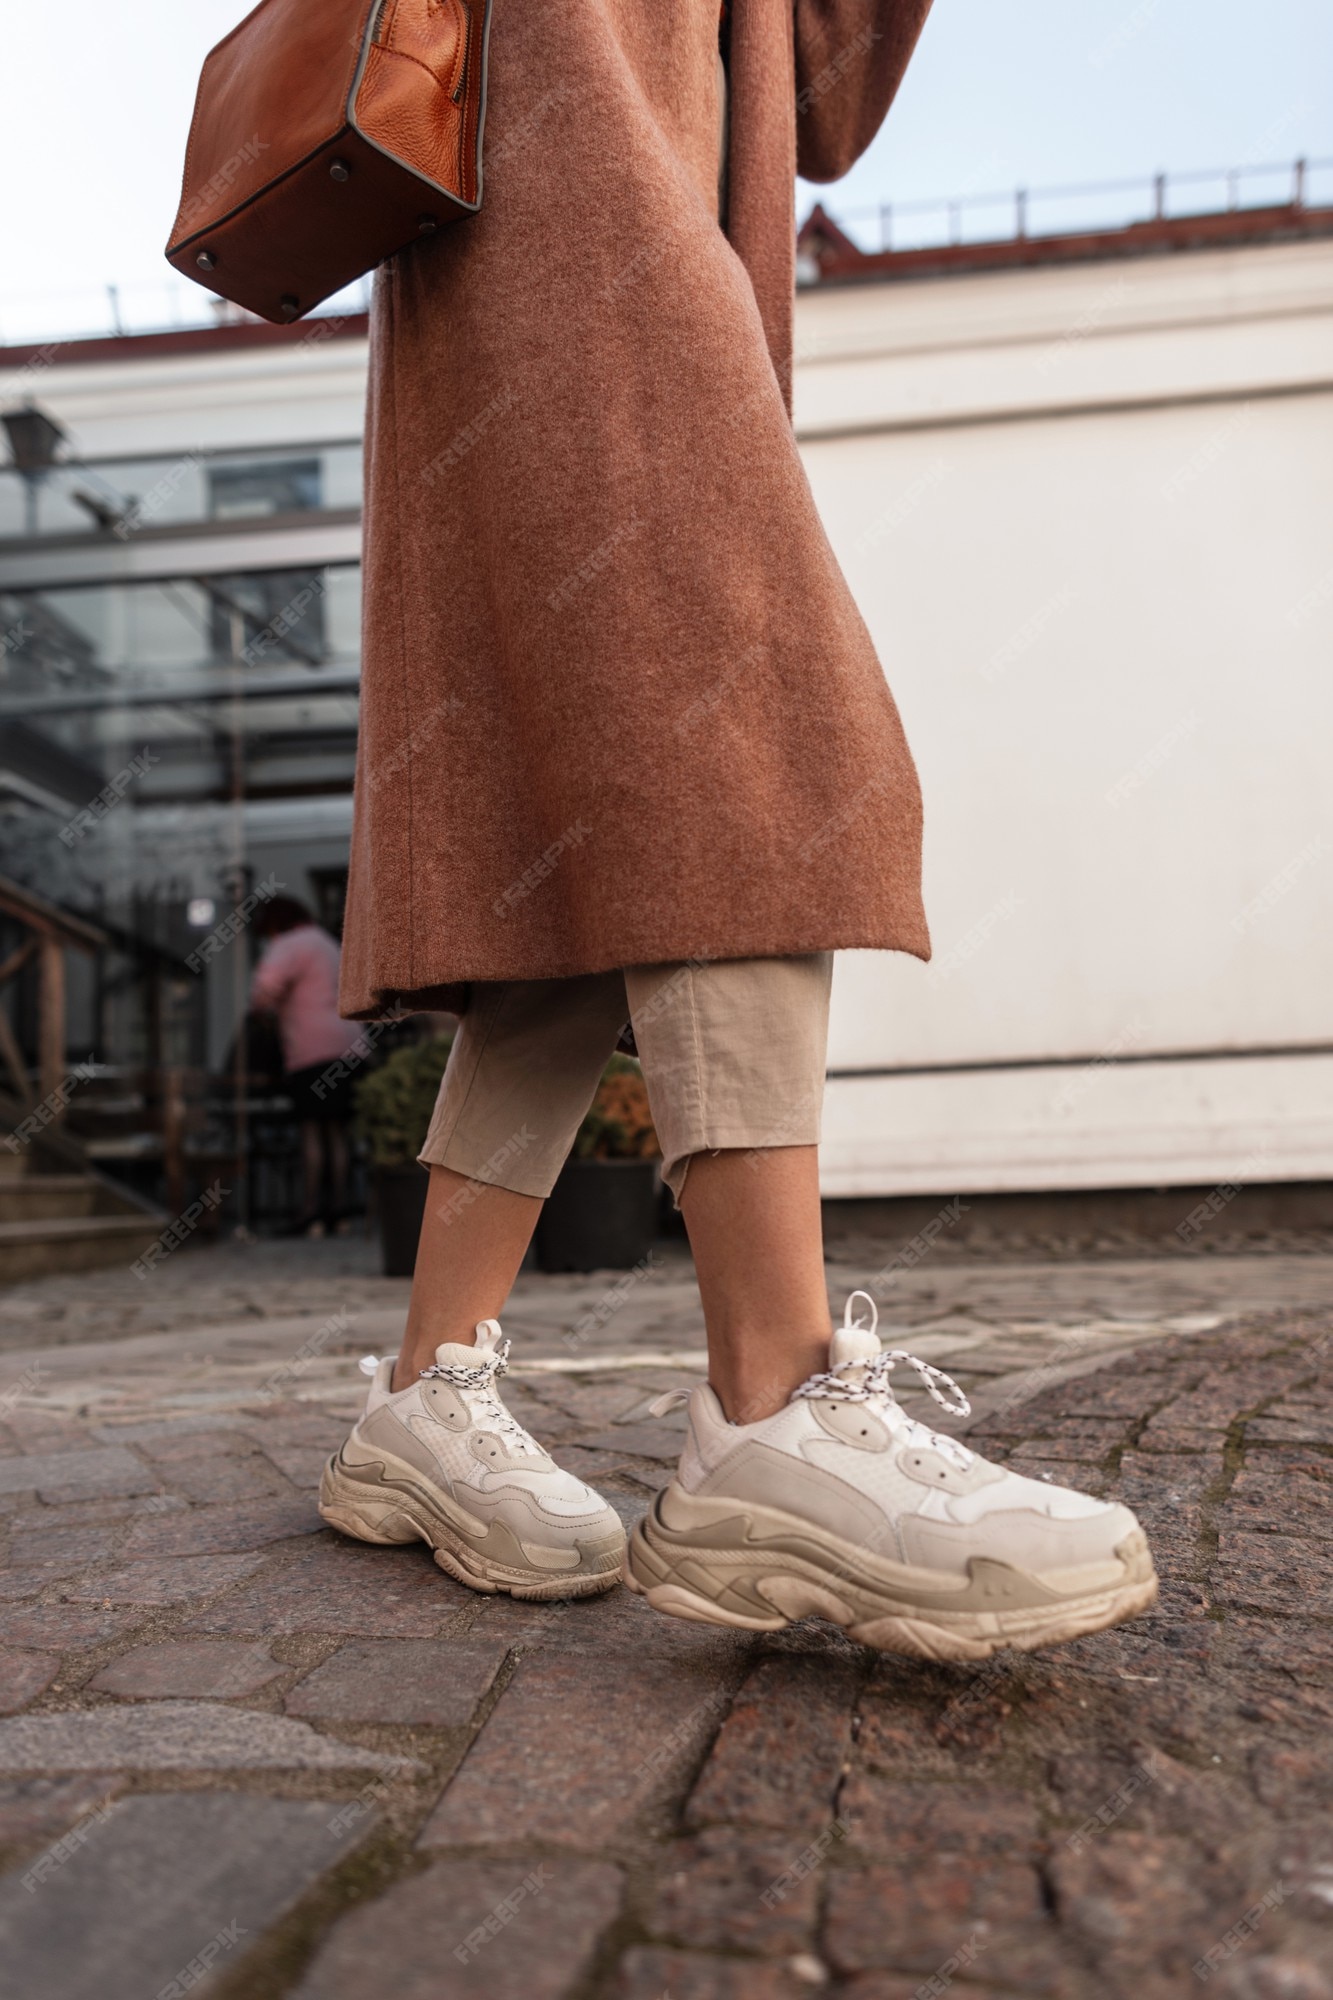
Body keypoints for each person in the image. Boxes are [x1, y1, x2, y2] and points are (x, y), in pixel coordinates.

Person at [320, 0, 1157, 1656]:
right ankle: (768, 1409)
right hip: (547, 238)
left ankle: (419, 1395)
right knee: (736, 741)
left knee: (564, 879)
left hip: (659, 255)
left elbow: (822, 109)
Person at [249, 896, 364, 1235]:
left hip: (312, 1049)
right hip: (351, 1045)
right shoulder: (328, 943)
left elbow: (264, 988)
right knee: (339, 1131)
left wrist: (262, 1010)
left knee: (312, 1129)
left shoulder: (289, 944)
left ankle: (311, 1211)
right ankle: (340, 1212)